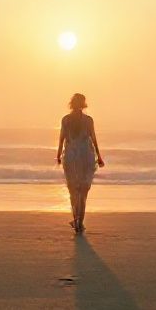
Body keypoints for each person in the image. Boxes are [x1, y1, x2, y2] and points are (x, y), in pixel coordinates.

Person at [56, 93, 104, 233]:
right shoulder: (89, 120)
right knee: (83, 191)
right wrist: (99, 157)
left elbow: (61, 139)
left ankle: (76, 220)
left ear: (71, 103)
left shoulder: (66, 120)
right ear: (83, 104)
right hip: (86, 156)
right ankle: (80, 223)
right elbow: (93, 139)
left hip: (71, 156)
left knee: (73, 190)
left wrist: (58, 155)